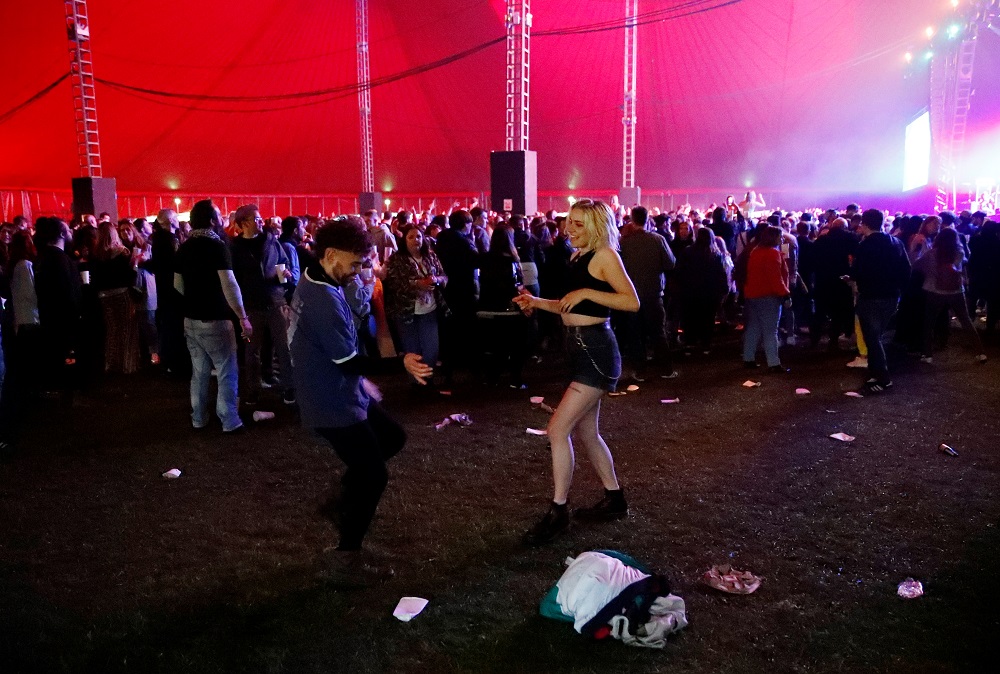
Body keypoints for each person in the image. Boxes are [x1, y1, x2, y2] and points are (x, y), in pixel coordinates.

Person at [289, 218, 432, 586]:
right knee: (373, 473)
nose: (357, 271)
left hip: (340, 390)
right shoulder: (322, 300)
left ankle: (342, 499)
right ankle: (345, 557)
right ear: (331, 254)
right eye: (353, 263)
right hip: (330, 401)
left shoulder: (314, 276)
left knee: (392, 438)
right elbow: (350, 361)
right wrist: (399, 362)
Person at [513, 199, 640, 546]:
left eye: (579, 224)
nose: (569, 229)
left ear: (598, 227)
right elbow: (570, 306)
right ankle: (614, 500)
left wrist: (587, 289)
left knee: (557, 430)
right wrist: (536, 302)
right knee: (587, 431)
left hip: (596, 351)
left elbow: (632, 301)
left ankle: (558, 511)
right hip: (579, 348)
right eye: (569, 221)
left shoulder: (604, 256)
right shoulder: (577, 256)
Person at [174, 199, 253, 434]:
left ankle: (198, 418)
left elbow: (177, 286)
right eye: (219, 215)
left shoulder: (184, 247)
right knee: (227, 369)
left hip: (191, 320)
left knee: (199, 372)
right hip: (216, 319)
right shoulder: (218, 247)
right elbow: (229, 284)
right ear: (211, 221)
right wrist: (242, 316)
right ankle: (229, 419)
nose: (222, 220)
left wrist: (191, 305)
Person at [230, 204, 294, 405]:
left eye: (259, 218)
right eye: (255, 218)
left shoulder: (271, 241)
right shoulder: (234, 248)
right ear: (242, 223)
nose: (260, 221)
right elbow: (233, 278)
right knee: (251, 350)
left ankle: (289, 388)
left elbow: (284, 266)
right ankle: (253, 389)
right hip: (251, 306)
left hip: (275, 302)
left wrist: (285, 277)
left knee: (284, 348)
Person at [848, 209, 911, 394]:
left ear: (864, 224)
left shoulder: (865, 245)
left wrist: (852, 279)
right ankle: (876, 373)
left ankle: (882, 377)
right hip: (891, 296)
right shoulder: (896, 242)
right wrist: (899, 291)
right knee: (877, 337)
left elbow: (858, 271)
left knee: (873, 338)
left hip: (871, 296)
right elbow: (906, 270)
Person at [383, 225, 447, 387]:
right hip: (406, 311)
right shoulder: (396, 259)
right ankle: (416, 383)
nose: (415, 240)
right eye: (411, 237)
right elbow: (394, 283)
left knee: (432, 349)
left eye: (418, 236)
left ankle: (427, 380)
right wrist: (417, 284)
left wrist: (437, 280)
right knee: (412, 350)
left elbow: (444, 276)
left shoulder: (430, 256)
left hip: (429, 308)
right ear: (404, 240)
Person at [616, 205, 675, 379]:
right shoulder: (657, 240)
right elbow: (670, 264)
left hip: (631, 295)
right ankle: (666, 369)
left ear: (632, 220)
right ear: (647, 218)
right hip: (653, 293)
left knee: (636, 334)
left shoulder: (624, 243)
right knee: (658, 332)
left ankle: (640, 370)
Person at [914, 227, 986, 364]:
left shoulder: (932, 253)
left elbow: (916, 265)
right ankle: (980, 352)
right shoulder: (959, 252)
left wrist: (915, 249)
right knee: (966, 321)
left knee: (929, 322)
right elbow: (963, 266)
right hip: (956, 291)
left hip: (933, 290)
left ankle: (927, 354)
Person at [742, 226, 790, 372]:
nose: (782, 239)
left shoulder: (755, 251)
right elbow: (776, 278)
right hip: (768, 296)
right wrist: (785, 294)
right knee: (770, 331)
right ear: (774, 237)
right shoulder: (773, 254)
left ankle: (748, 358)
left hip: (753, 294)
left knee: (753, 328)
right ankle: (773, 363)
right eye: (780, 236)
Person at [674, 227, 728, 355]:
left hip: (690, 291)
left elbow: (679, 271)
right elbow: (721, 274)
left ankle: (689, 343)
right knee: (707, 319)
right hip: (709, 292)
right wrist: (723, 289)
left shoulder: (687, 252)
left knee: (690, 317)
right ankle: (705, 344)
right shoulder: (715, 254)